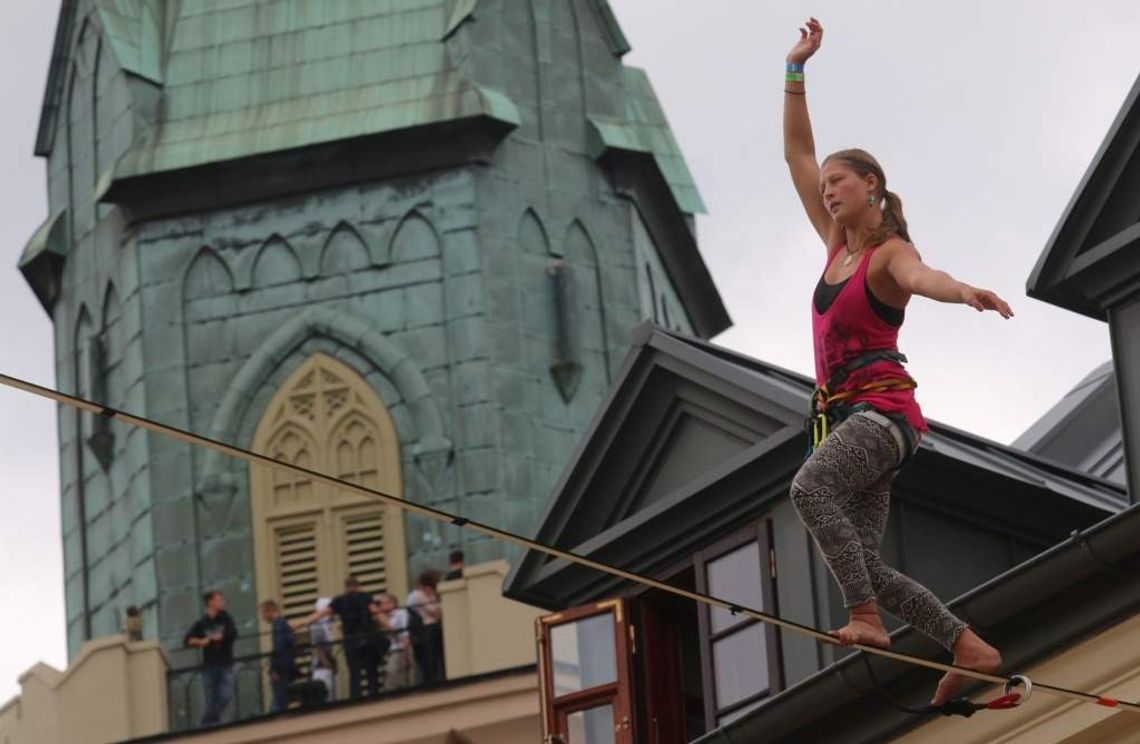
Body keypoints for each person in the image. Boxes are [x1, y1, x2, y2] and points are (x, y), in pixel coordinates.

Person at [782, 18, 1008, 706]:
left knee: (809, 492)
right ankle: (969, 646)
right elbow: (796, 154)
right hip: (857, 422)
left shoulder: (886, 253)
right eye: (825, 186)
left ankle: (867, 619)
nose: (826, 190)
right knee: (864, 559)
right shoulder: (834, 246)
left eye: (839, 181)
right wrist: (794, 73)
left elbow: (925, 275)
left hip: (882, 418)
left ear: (871, 185)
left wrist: (963, 290)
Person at [294, 576, 389, 699]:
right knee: (371, 670)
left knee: (354, 673)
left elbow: (321, 613)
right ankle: (374, 696)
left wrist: (301, 623)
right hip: (367, 638)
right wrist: (391, 626)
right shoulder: (365, 597)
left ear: (346, 588)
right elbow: (376, 613)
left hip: (350, 640)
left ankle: (356, 700)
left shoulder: (339, 600)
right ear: (358, 586)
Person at [183, 590, 238, 727]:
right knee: (210, 698)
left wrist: (218, 637)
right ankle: (212, 722)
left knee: (227, 694)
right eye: (219, 599)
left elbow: (233, 634)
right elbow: (187, 641)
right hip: (209, 666)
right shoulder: (202, 623)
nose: (222, 602)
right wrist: (201, 642)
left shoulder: (226, 618)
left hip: (226, 663)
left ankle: (206, 722)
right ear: (210, 602)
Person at [260, 600, 299, 713]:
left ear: (269, 611)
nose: (263, 617)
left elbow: (279, 648)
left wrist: (274, 669)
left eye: (263, 613)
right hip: (286, 667)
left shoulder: (278, 625)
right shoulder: (284, 624)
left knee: (279, 703)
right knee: (281, 701)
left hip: (281, 670)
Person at [406, 570, 445, 684]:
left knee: (438, 656)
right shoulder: (417, 595)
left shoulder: (432, 594)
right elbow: (434, 612)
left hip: (434, 627)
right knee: (429, 658)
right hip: (425, 629)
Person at [376, 592, 415, 689]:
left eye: (385, 603)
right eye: (381, 604)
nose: (383, 606)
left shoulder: (400, 614)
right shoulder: (384, 618)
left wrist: (406, 651)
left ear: (393, 604)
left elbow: (404, 632)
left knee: (395, 673)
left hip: (401, 648)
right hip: (391, 649)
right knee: (391, 675)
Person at [309, 597, 338, 702]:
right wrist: (326, 663)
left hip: (329, 667)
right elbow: (318, 646)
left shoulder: (329, 625)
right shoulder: (317, 625)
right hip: (322, 668)